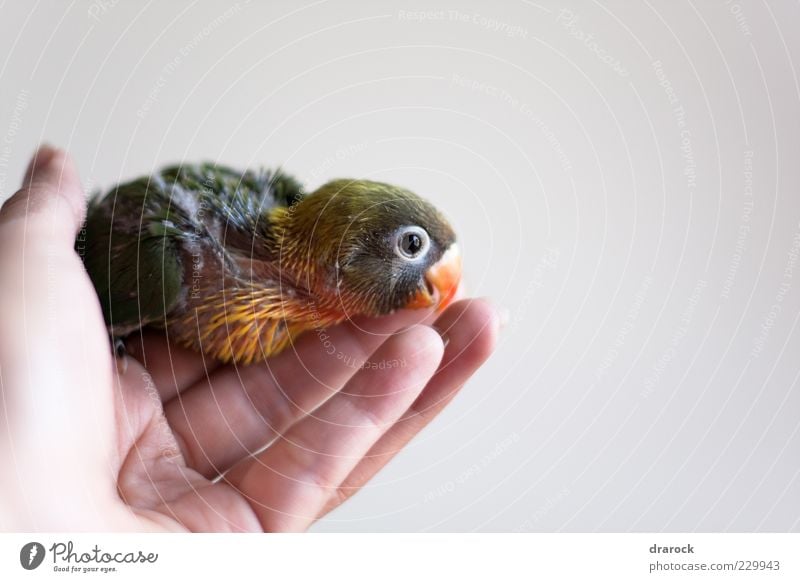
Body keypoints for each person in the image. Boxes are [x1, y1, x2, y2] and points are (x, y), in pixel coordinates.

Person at [0, 146, 500, 531]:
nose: (438, 281)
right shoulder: (166, 265)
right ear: (343, 254)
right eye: (413, 245)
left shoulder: (302, 275)